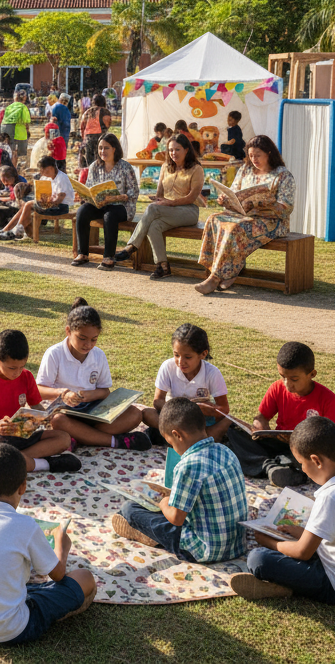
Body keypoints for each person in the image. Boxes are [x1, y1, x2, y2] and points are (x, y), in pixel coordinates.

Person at [0, 443, 96, 645]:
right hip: (11, 629)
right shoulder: (26, 526)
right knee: (85, 578)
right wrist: (62, 545)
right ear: (23, 486)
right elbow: (58, 574)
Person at [111, 397, 248, 563]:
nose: (173, 448)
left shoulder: (188, 466)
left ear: (177, 435)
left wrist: (164, 503)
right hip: (237, 545)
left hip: (205, 550)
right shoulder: (225, 451)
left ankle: (147, 534)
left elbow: (176, 518)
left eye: (170, 443)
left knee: (129, 509)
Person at [233, 417, 335, 603]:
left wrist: (268, 542)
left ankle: (283, 588)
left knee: (258, 558)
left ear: (316, 461)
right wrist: (302, 533)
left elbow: (303, 552)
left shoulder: (330, 497)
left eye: (301, 463)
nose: (302, 469)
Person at [36, 299, 151, 450]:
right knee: (57, 421)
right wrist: (63, 393)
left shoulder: (98, 355)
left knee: (135, 414)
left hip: (93, 413)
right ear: (68, 331)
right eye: (82, 338)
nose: (88, 344)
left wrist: (91, 395)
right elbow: (39, 389)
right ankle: (114, 441)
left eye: (94, 339)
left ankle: (80, 436)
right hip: (66, 413)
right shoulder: (54, 353)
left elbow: (105, 391)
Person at [226, 341, 335, 487]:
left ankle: (278, 466)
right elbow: (262, 416)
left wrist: (300, 441)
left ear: (312, 374)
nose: (287, 384)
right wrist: (260, 426)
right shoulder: (277, 388)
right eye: (283, 377)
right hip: (279, 444)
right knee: (234, 432)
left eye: (294, 379)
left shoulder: (327, 399)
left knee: (319, 461)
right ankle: (275, 467)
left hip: (307, 453)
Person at [194, 134, 296, 294]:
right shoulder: (245, 170)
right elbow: (234, 194)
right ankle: (224, 270)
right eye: (251, 155)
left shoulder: (283, 175)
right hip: (244, 216)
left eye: (258, 155)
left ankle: (215, 278)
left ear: (269, 153)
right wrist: (226, 200)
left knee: (236, 228)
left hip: (272, 222)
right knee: (214, 218)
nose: (254, 159)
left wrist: (265, 203)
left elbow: (286, 208)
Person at [0, 329, 79, 473]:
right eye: (12, 368)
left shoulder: (26, 376)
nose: (17, 372)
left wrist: (46, 415)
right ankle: (43, 464)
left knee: (63, 438)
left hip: (22, 433)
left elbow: (36, 405)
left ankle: (12, 460)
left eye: (22, 366)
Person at [114, 134, 203, 280]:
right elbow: (160, 193)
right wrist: (157, 200)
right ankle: (163, 266)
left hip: (188, 211)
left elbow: (192, 197)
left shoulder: (196, 169)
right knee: (154, 225)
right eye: (171, 150)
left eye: (177, 149)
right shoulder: (165, 167)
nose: (173, 153)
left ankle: (131, 246)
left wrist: (170, 203)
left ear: (186, 150)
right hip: (168, 210)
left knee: (152, 209)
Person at [143, 323, 231, 444]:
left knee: (227, 421)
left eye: (188, 357)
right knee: (147, 414)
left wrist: (207, 410)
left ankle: (176, 439)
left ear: (203, 354)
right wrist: (179, 412)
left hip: (199, 422)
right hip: (173, 419)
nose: (180, 362)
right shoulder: (168, 367)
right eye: (176, 355)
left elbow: (224, 409)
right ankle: (196, 442)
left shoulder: (212, 373)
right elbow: (158, 401)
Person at [71, 134, 139, 270]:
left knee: (110, 216)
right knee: (82, 211)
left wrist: (115, 198)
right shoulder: (94, 166)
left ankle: (109, 257)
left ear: (114, 149)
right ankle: (82, 253)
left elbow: (134, 192)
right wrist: (85, 195)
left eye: (106, 148)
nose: (102, 151)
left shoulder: (125, 167)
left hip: (122, 206)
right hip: (100, 205)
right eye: (100, 148)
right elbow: (90, 188)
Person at [0, 156, 73, 241]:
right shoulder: (45, 177)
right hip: (47, 204)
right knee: (25, 206)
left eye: (44, 170)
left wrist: (48, 201)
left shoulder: (62, 178)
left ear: (51, 168)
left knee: (28, 204)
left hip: (60, 207)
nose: (42, 173)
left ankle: (17, 231)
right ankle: (8, 229)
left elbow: (59, 200)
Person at [77, 94, 112, 169]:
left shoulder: (88, 112)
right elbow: (107, 123)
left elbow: (82, 125)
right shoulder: (104, 111)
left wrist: (84, 138)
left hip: (88, 137)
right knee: (100, 159)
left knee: (89, 161)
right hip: (100, 137)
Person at [1, 91, 32, 169]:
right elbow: (26, 121)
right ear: (24, 98)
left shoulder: (9, 106)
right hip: (16, 130)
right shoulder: (23, 107)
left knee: (9, 150)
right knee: (15, 152)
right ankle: (13, 169)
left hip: (4, 128)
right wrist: (27, 131)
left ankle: (7, 167)